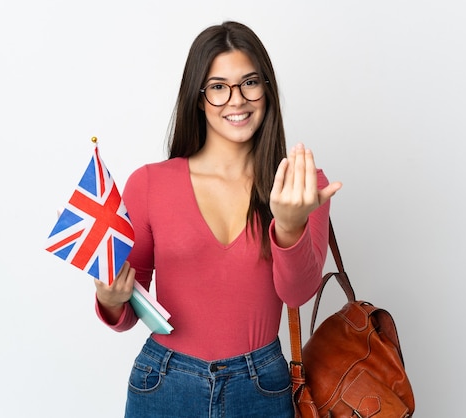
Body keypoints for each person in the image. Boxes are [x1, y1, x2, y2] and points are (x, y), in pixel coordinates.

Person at [94, 21, 341, 418]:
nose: (236, 100)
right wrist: (109, 299)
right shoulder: (149, 184)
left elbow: (297, 294)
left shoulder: (301, 185)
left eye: (249, 83)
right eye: (218, 87)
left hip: (261, 386)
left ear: (267, 89)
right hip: (164, 382)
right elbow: (127, 307)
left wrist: (290, 225)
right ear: (198, 97)